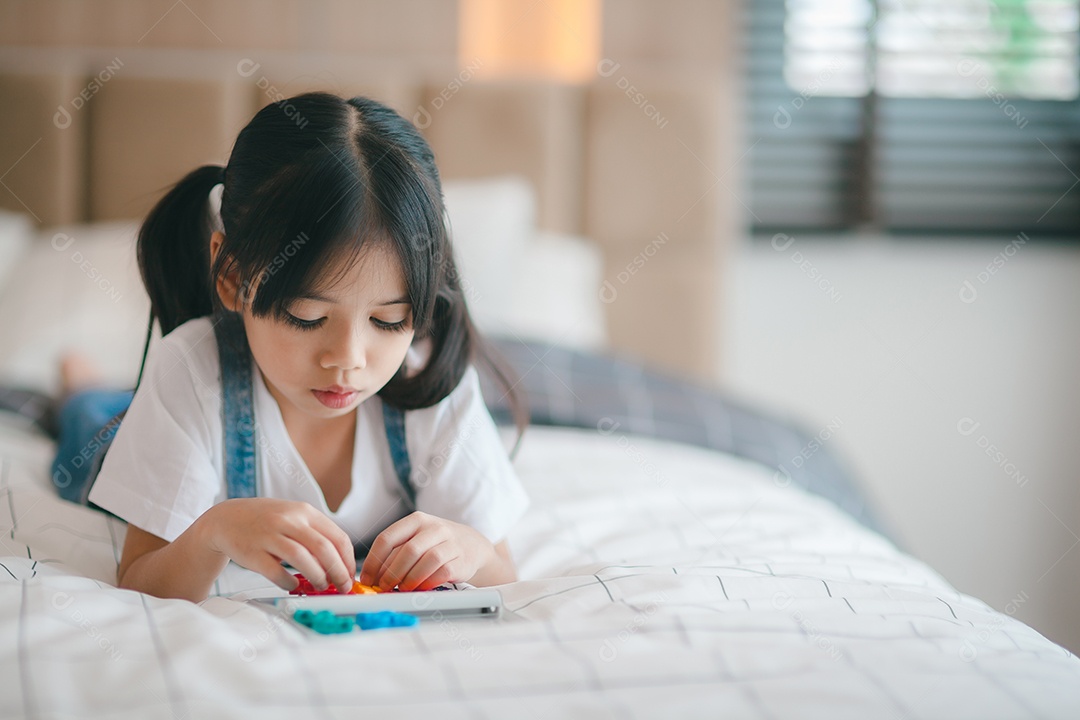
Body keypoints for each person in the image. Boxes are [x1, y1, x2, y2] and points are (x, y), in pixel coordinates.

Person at [49, 92, 531, 603]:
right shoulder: (191, 368)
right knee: (95, 427)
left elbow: (503, 572)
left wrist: (471, 549)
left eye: (388, 320)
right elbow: (141, 579)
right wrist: (215, 531)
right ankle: (81, 384)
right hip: (143, 425)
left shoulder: (430, 377)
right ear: (232, 277)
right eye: (309, 316)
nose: (348, 358)